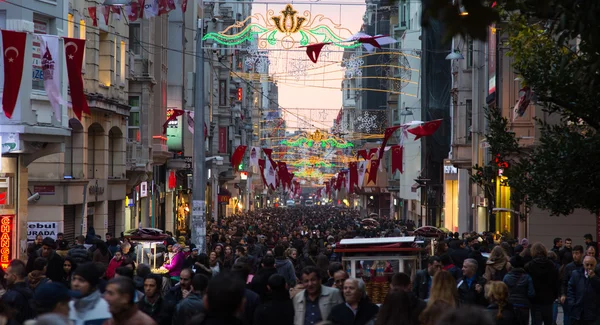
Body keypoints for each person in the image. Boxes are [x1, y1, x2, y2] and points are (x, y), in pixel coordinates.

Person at [525, 242, 560, 325]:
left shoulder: (529, 266)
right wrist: (555, 295)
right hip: (548, 299)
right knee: (549, 321)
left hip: (535, 300)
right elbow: (556, 282)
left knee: (536, 321)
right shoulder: (552, 265)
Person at [567, 256, 600, 325]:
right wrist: (572, 304)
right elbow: (570, 289)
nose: (589, 267)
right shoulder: (576, 274)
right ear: (583, 264)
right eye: (587, 264)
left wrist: (594, 278)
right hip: (578, 311)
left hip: (593, 312)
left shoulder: (597, 275)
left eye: (591, 265)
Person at [503, 254, 535, 325]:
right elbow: (531, 293)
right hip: (524, 305)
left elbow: (503, 292)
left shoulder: (506, 277)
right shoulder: (527, 277)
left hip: (510, 305)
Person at [561, 245, 585, 325]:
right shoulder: (569, 267)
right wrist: (563, 294)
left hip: (582, 296)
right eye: (573, 253)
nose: (575, 255)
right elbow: (564, 282)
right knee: (569, 317)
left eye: (577, 253)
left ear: (582, 254)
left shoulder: (585, 265)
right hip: (571, 295)